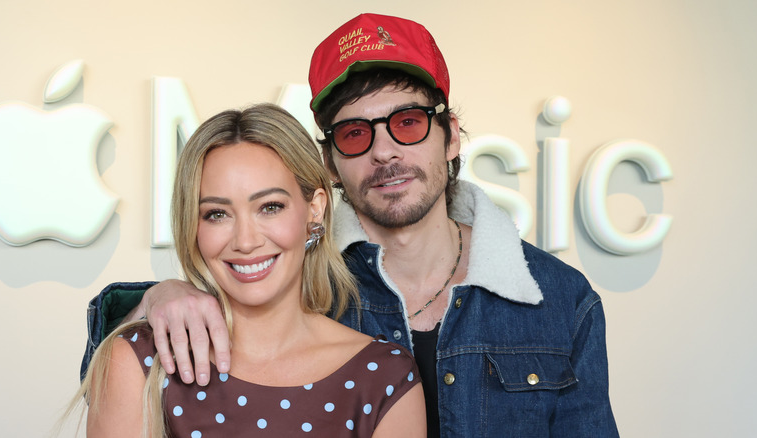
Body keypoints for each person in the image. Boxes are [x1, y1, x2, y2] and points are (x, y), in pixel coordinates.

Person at [81, 13, 619, 437]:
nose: (385, 151)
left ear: (451, 135)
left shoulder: (558, 300)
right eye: (356, 134)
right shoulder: (301, 281)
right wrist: (159, 295)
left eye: (408, 123)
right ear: (330, 163)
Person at [73, 103, 425, 437]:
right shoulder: (138, 360)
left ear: (314, 210)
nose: (245, 241)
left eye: (270, 207)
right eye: (217, 214)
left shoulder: (384, 376)